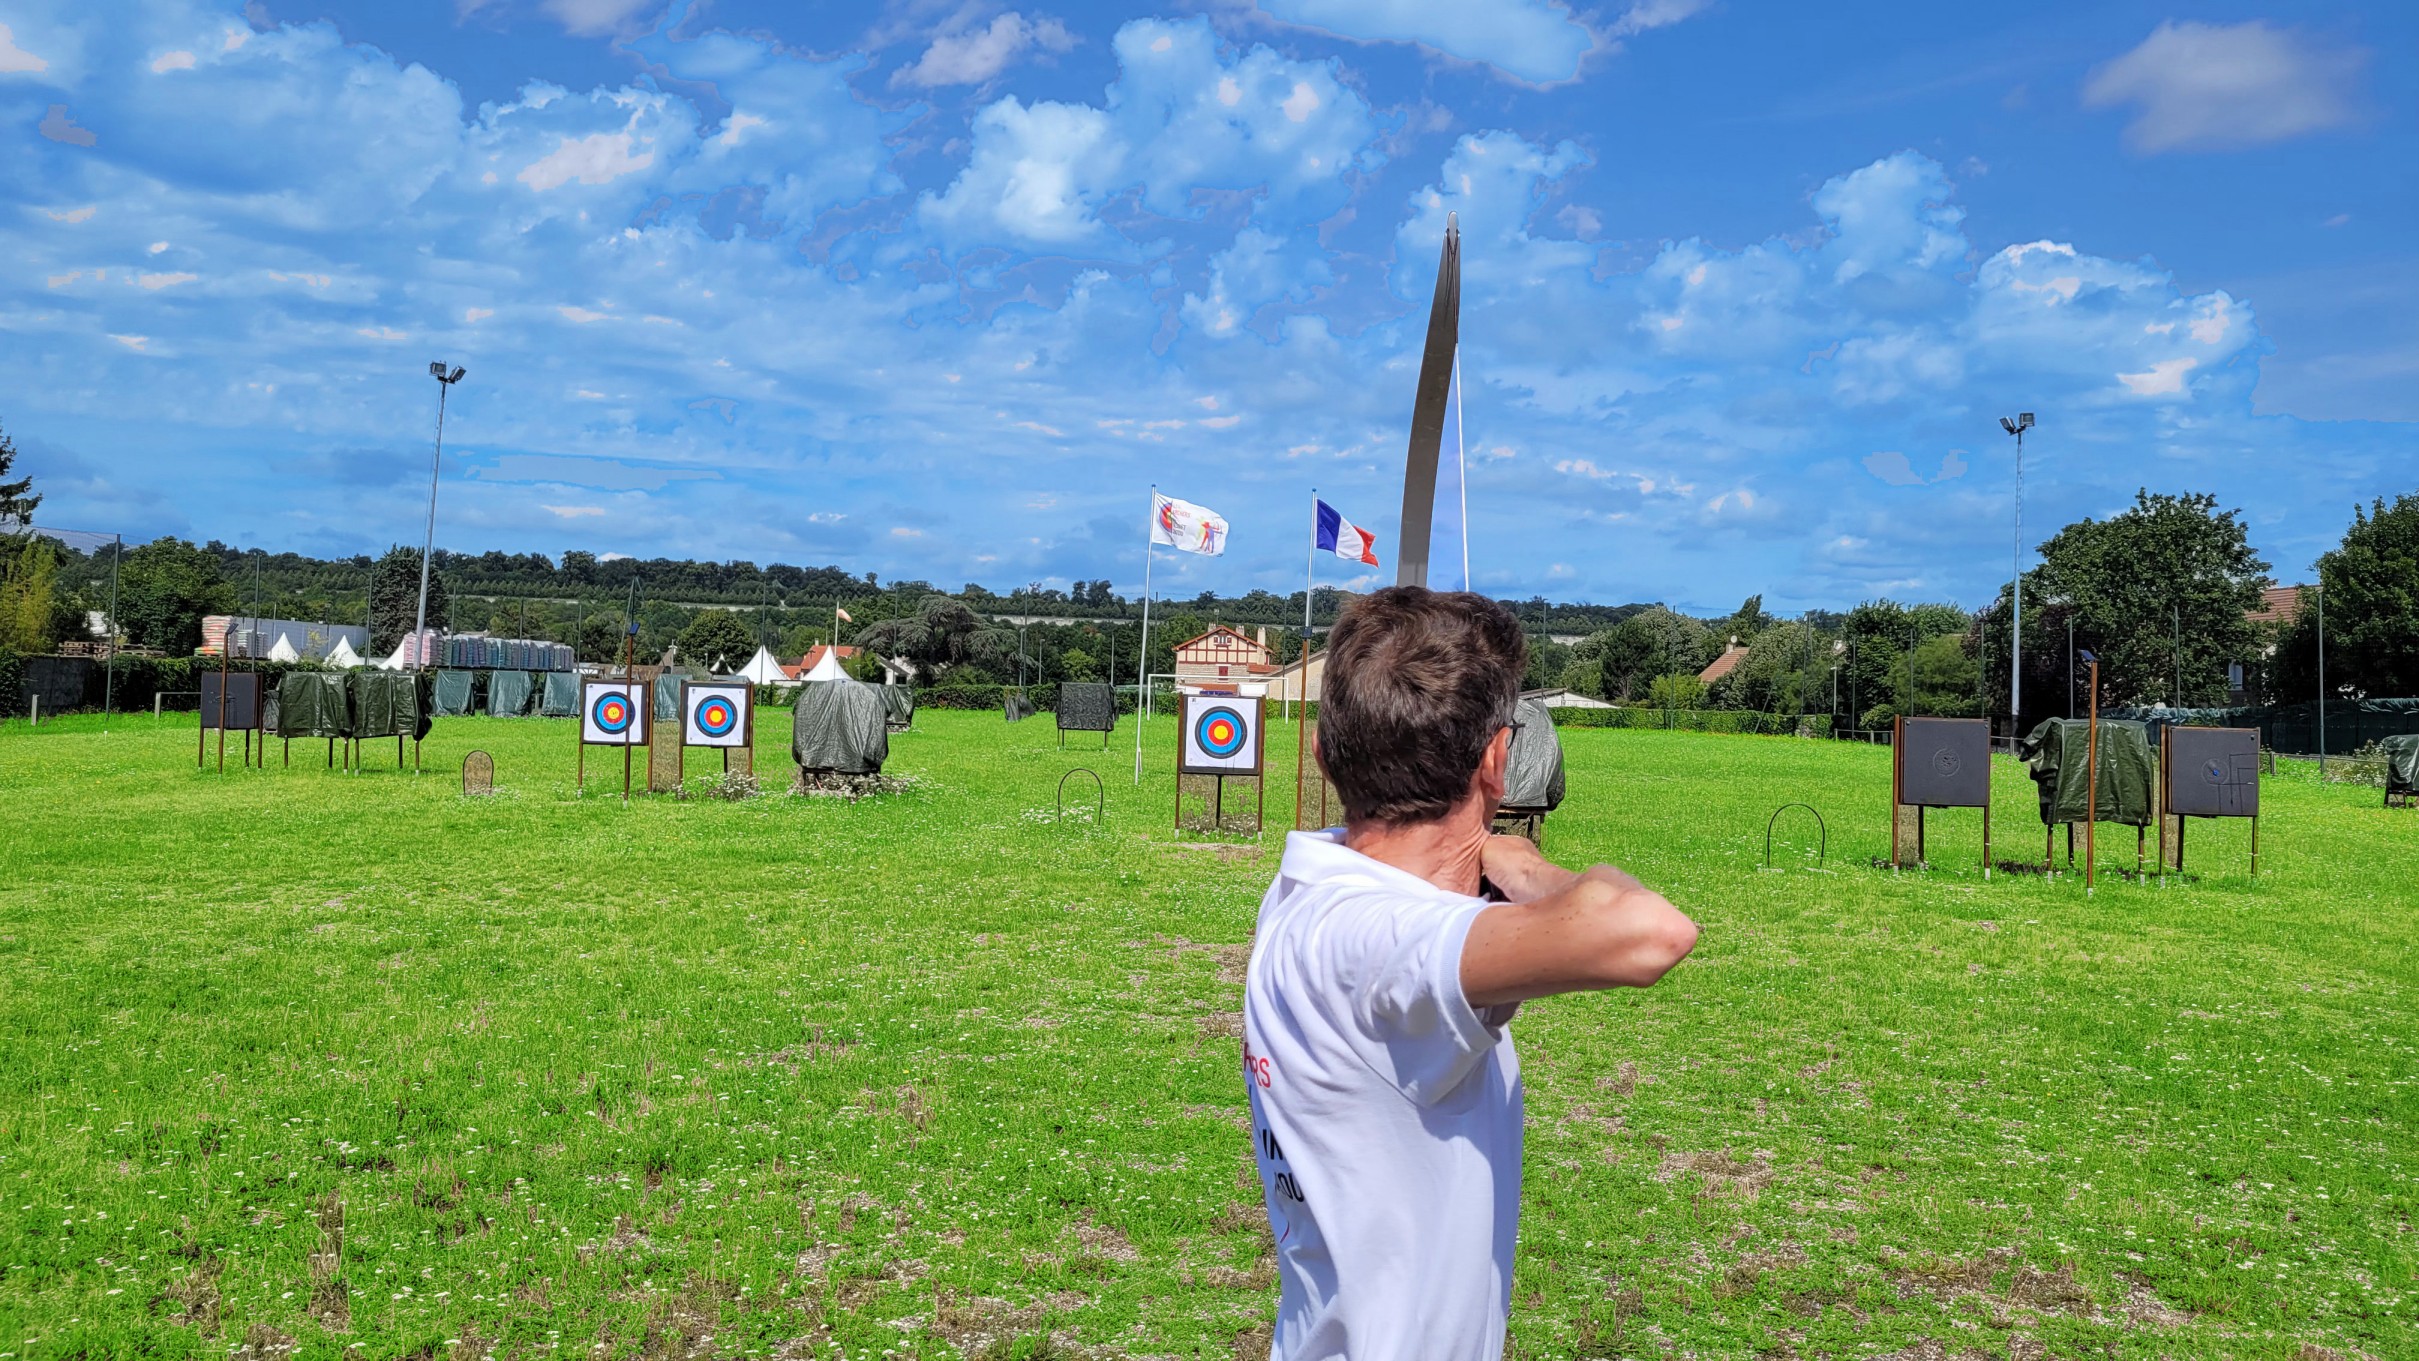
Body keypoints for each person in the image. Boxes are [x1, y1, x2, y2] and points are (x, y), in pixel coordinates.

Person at [1243, 586, 1698, 1359]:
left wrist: (1463, 847)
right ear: (1497, 759)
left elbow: (1399, 847)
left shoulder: (1311, 885)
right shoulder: (1378, 939)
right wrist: (1513, 857)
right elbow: (1650, 931)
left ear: (1323, 752)